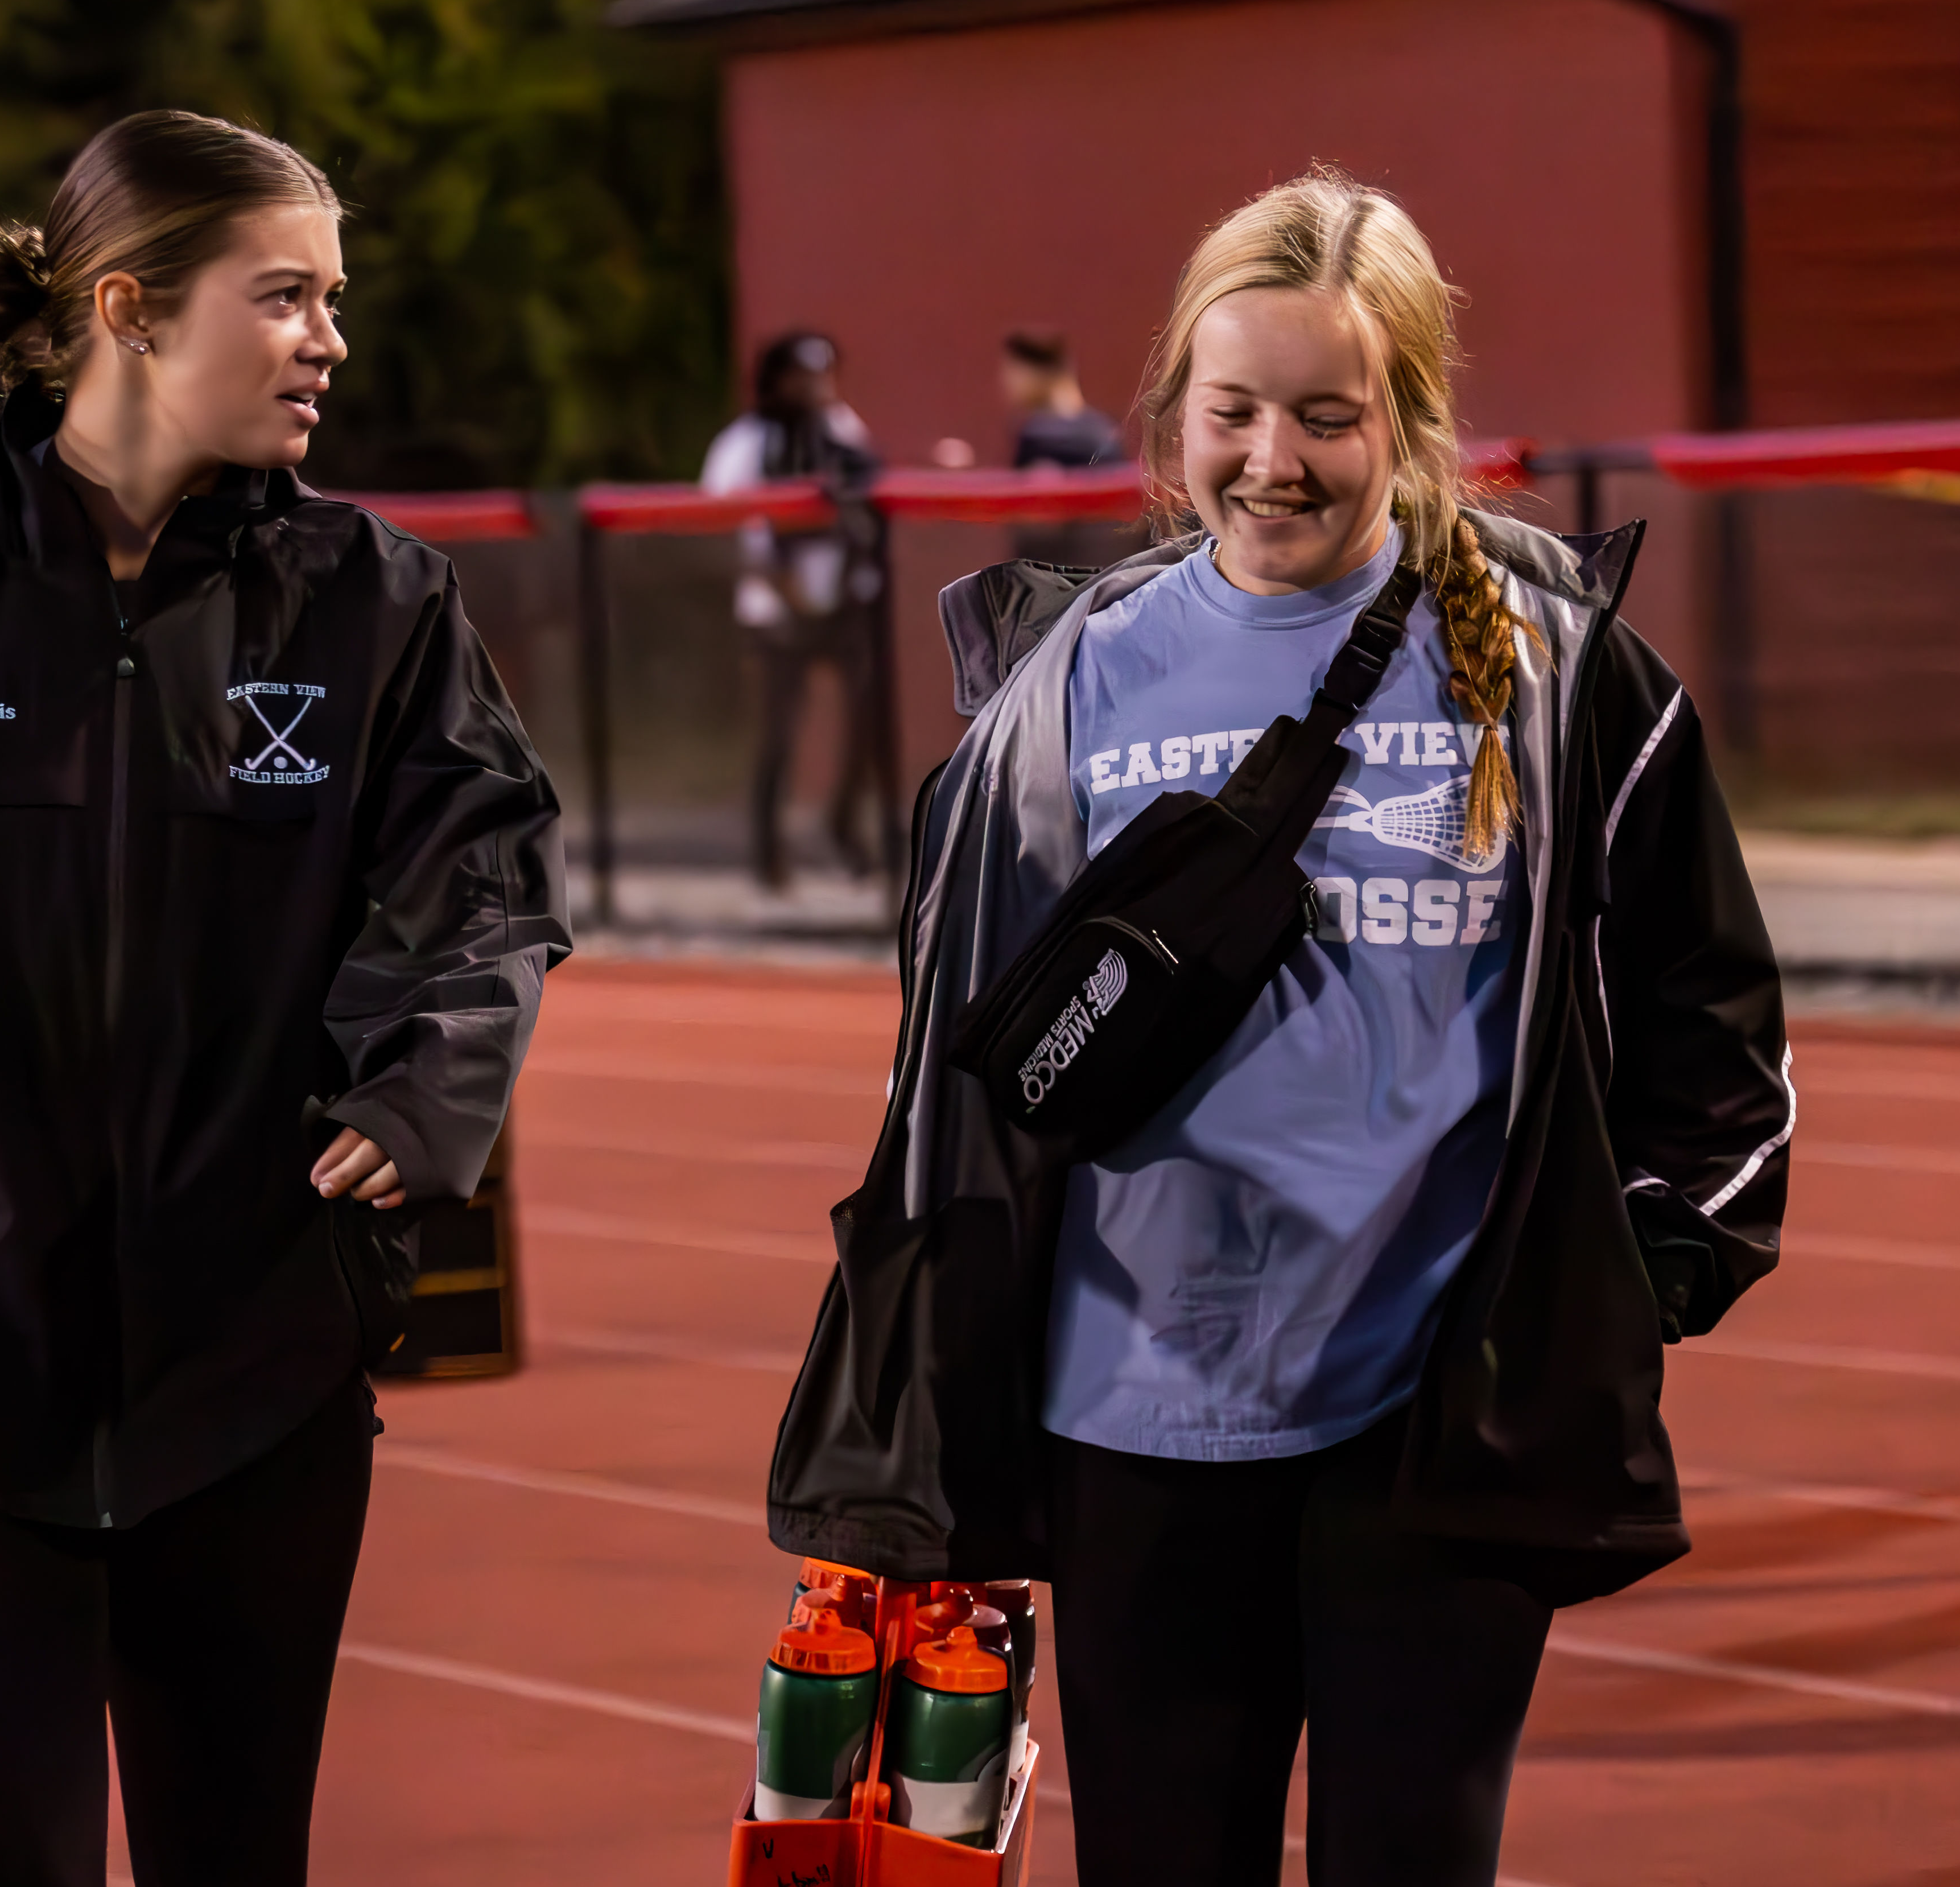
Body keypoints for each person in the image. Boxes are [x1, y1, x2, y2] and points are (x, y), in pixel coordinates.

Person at [765, 168, 1793, 1887]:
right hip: (1128, 1420)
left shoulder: (1547, 669)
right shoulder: (1058, 687)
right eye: (1230, 413)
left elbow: (1714, 1017)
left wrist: (1631, 1275)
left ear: (1407, 418)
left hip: (1431, 1423)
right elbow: (946, 1075)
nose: (1270, 462)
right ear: (1170, 418)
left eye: (1326, 416)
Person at [0, 110, 566, 1885]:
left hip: (257, 1382)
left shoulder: (378, 604)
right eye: (289, 295)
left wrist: (425, 1086)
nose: (330, 337)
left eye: (335, 298)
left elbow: (489, 889)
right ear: (128, 307)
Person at [700, 332, 886, 889]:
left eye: (824, 373)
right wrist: (779, 587)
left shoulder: (843, 429)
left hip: (843, 604)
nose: (815, 387)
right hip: (775, 611)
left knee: (868, 718)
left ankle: (845, 825)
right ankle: (768, 855)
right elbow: (720, 530)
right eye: (802, 375)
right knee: (779, 735)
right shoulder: (743, 444)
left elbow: (867, 506)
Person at [1000, 326, 1125, 469]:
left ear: (1032, 372)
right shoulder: (1106, 431)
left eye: (1013, 374)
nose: (1007, 385)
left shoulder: (1038, 438)